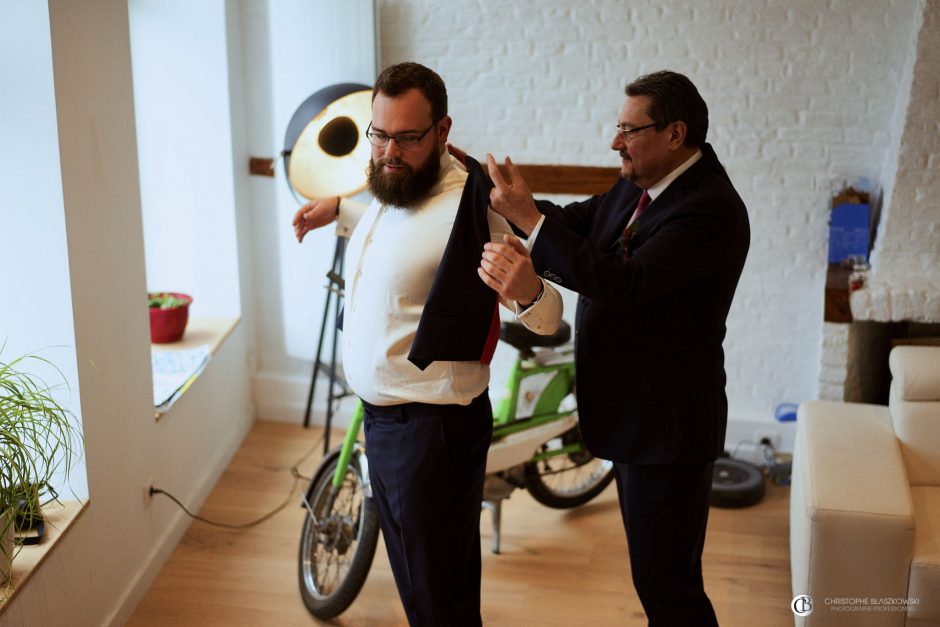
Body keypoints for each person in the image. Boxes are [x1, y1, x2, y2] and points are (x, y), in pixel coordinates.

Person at [292, 62, 561, 626]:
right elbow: (401, 238)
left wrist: (529, 290)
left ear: (442, 131)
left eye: (408, 137)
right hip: (386, 425)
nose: (390, 150)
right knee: (431, 588)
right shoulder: (392, 182)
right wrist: (338, 212)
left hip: (432, 435)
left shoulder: (476, 208)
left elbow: (549, 318)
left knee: (434, 598)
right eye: (380, 134)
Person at [483, 70, 750, 626]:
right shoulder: (639, 184)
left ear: (675, 133)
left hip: (667, 431)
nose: (615, 142)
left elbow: (625, 284)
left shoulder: (710, 209)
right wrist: (490, 192)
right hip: (633, 418)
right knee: (655, 579)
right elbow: (574, 225)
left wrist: (530, 220)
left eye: (629, 130)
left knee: (670, 589)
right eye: (617, 127)